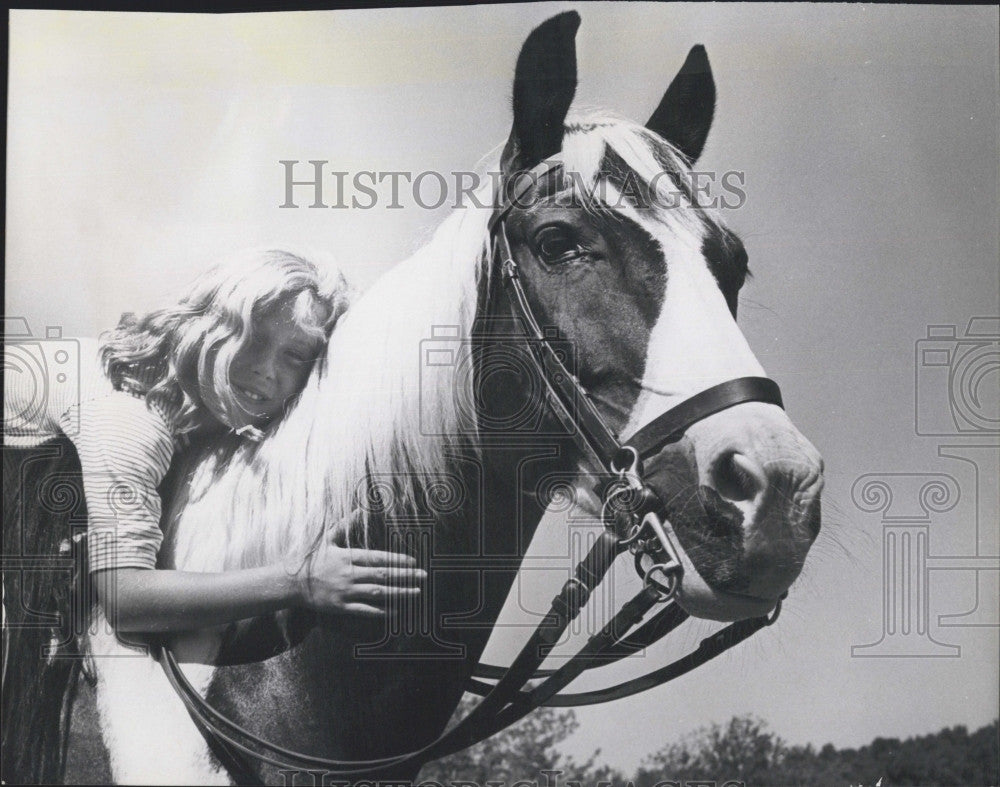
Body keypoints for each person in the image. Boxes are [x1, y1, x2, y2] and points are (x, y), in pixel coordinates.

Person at [4, 247, 425, 637]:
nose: (265, 369)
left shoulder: (202, 411)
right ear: (205, 329)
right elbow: (125, 599)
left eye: (294, 355)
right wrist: (299, 581)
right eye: (254, 339)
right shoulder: (129, 416)